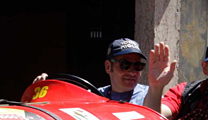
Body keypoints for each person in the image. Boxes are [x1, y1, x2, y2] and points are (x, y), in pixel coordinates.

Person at [34, 38, 172, 105]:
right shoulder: (93, 96)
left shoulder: (150, 96)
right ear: (108, 67)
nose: (132, 71)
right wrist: (42, 91)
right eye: (125, 65)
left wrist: (157, 87)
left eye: (138, 66)